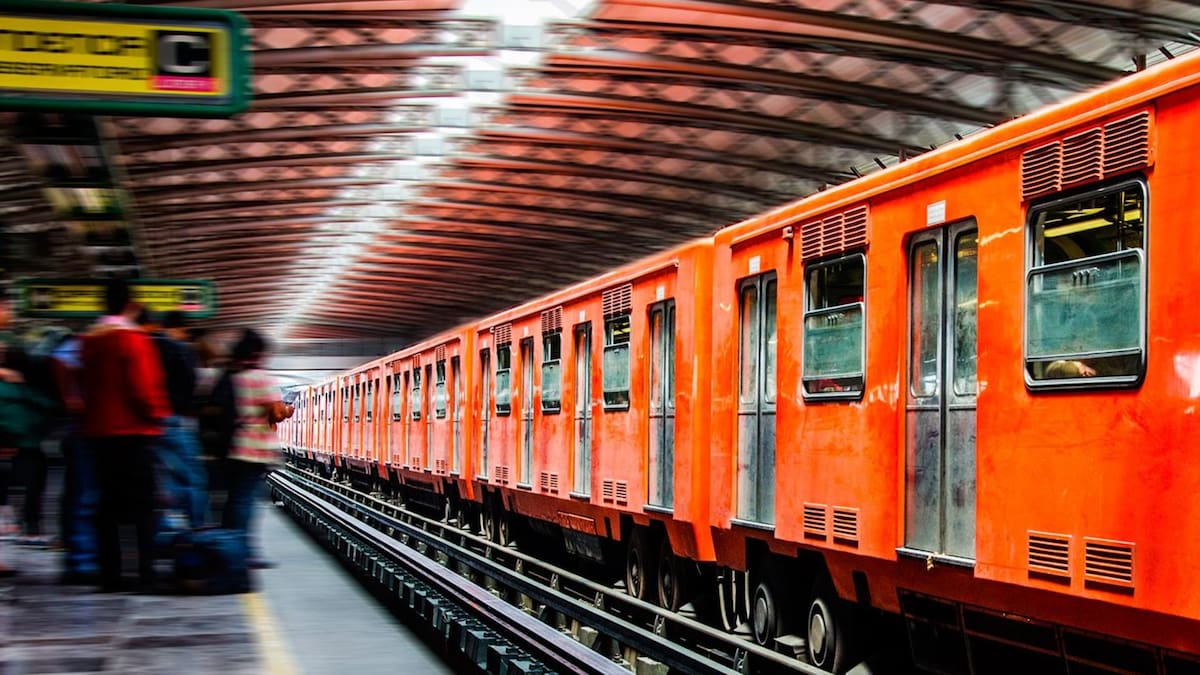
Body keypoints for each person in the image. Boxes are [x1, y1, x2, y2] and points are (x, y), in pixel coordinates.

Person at [80, 279, 170, 592]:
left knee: (108, 506)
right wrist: (157, 416)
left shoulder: (89, 341)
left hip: (99, 433)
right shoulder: (133, 340)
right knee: (143, 506)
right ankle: (145, 574)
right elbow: (144, 388)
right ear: (130, 305)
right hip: (133, 432)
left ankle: (111, 575)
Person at [222, 328, 289, 569]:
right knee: (248, 500)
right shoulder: (261, 378)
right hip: (255, 446)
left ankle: (232, 547)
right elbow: (278, 412)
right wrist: (284, 411)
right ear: (259, 353)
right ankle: (245, 551)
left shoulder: (233, 376)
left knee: (236, 498)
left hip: (234, 444)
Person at [147, 311, 207, 528]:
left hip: (147, 422)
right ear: (180, 329)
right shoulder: (181, 349)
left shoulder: (144, 347)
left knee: (158, 476)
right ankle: (195, 527)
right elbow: (192, 385)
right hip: (175, 419)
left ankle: (165, 525)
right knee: (190, 477)